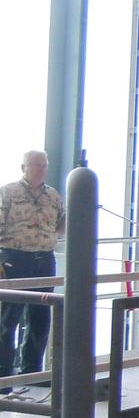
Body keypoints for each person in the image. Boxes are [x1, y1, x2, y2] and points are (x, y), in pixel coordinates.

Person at [0, 150, 65, 396]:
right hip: (15, 259)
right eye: (35, 165)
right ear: (23, 167)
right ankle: (4, 374)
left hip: (44, 259)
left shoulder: (53, 196)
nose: (40, 169)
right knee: (9, 318)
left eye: (44, 165)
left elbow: (61, 224)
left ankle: (33, 370)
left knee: (40, 316)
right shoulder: (7, 192)